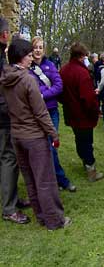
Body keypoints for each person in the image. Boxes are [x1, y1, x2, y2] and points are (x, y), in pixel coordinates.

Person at [0, 38, 70, 230]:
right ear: (22, 57)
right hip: (33, 137)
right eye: (29, 55)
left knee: (30, 179)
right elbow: (40, 112)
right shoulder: (27, 79)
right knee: (45, 179)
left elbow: (7, 107)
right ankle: (54, 220)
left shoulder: (5, 77)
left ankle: (41, 216)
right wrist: (53, 134)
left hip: (17, 135)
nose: (32, 59)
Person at [30, 36, 76, 192]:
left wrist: (43, 94)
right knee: (39, 148)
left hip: (51, 111)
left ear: (44, 50)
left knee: (51, 145)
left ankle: (61, 179)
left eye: (40, 47)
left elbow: (59, 86)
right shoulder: (27, 68)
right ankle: (50, 180)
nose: (38, 50)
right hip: (34, 113)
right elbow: (29, 89)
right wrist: (42, 92)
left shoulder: (50, 65)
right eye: (35, 47)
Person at [60, 43, 104, 182]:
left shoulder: (63, 71)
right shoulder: (82, 73)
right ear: (81, 56)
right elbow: (88, 99)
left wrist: (68, 103)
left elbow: (60, 93)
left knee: (79, 139)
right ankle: (91, 169)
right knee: (86, 142)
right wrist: (95, 111)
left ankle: (86, 163)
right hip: (83, 115)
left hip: (71, 113)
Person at [0, 18, 30, 224]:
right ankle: (9, 207)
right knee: (9, 159)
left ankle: (12, 198)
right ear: (4, 35)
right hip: (3, 118)